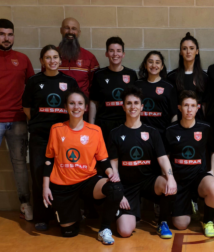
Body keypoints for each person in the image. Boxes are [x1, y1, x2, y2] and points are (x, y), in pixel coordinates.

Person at [42, 88, 123, 245]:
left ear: (86, 107)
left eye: (80, 103)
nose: (76, 107)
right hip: (63, 186)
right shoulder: (56, 129)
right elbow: (48, 160)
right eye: (72, 103)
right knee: (68, 233)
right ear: (65, 107)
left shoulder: (95, 130)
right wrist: (46, 187)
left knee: (115, 188)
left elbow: (103, 159)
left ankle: (104, 229)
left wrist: (111, 172)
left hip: (87, 181)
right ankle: (74, 215)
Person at [108, 86, 177, 239]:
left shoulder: (152, 132)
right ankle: (123, 213)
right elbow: (113, 167)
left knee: (168, 185)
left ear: (142, 107)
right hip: (127, 186)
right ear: (123, 106)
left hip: (148, 181)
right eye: (129, 103)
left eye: (136, 103)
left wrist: (170, 177)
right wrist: (119, 193)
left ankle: (162, 222)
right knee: (125, 232)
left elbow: (163, 158)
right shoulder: (115, 133)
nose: (133, 107)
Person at [22, 45, 78, 230]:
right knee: (39, 175)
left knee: (64, 174)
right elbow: (27, 109)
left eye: (55, 57)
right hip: (40, 137)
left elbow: (76, 106)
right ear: (42, 61)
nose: (52, 60)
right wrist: (40, 123)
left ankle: (65, 213)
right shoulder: (34, 81)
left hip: (63, 136)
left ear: (60, 60)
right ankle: (42, 217)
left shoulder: (69, 81)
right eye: (48, 57)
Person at [165, 90, 214, 238]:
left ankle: (207, 222)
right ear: (179, 108)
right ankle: (189, 204)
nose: (189, 109)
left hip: (199, 177)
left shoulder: (205, 128)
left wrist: (212, 172)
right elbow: (165, 157)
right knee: (181, 224)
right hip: (179, 180)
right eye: (186, 105)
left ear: (198, 107)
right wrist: (169, 177)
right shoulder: (170, 130)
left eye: (192, 105)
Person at [0, 19, 34, 220]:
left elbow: (33, 89)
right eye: (2, 34)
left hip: (18, 120)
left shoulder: (23, 59)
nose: (6, 38)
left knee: (19, 164)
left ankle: (25, 204)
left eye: (10, 34)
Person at [89, 37, 138, 144]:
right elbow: (93, 102)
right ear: (106, 54)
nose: (115, 54)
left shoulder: (131, 74)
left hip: (125, 123)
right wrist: (91, 127)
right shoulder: (99, 75)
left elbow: (137, 102)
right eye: (111, 51)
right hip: (104, 124)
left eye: (118, 51)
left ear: (123, 54)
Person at [134, 51, 177, 139]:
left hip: (162, 134)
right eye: (150, 62)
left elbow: (174, 114)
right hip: (139, 133)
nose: (154, 65)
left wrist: (172, 133)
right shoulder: (137, 85)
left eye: (157, 62)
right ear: (145, 65)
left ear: (162, 66)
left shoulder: (169, 86)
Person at [167, 32, 208, 121]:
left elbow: (205, 105)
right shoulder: (172, 77)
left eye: (191, 48)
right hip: (179, 125)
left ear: (197, 51)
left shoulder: (204, 77)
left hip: (199, 124)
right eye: (185, 49)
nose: (188, 52)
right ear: (181, 52)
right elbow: (171, 105)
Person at [56, 18, 99, 98]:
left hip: (80, 107)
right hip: (57, 106)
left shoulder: (89, 57)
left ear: (79, 32)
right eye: (66, 28)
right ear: (61, 30)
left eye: (74, 29)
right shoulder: (51, 55)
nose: (70, 32)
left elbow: (95, 87)